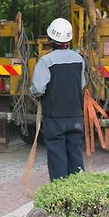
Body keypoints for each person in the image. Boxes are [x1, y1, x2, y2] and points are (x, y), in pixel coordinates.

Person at [31, 18, 87, 181]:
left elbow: (38, 89)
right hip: (76, 115)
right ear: (69, 39)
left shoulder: (46, 61)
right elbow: (81, 85)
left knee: (57, 156)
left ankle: (61, 193)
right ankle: (79, 189)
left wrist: (32, 91)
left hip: (54, 117)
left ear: (51, 40)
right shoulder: (79, 60)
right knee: (75, 153)